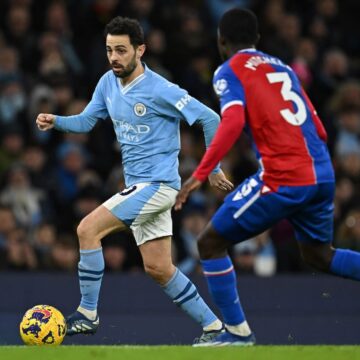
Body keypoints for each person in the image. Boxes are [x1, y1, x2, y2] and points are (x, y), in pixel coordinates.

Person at [36, 16, 234, 344]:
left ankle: (87, 314)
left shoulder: (161, 89)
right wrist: (56, 121)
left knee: (87, 229)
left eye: (121, 50)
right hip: (142, 187)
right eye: (109, 50)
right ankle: (215, 329)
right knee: (159, 268)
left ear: (140, 50)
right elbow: (87, 122)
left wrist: (212, 169)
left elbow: (209, 118)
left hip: (158, 186)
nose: (114, 57)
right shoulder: (107, 83)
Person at [175, 8, 360, 346]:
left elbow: (231, 121)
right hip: (322, 172)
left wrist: (200, 174)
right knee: (320, 255)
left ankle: (237, 334)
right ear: (257, 40)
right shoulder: (282, 66)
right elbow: (318, 126)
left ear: (221, 41)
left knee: (210, 242)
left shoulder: (228, 70)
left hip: (284, 176)